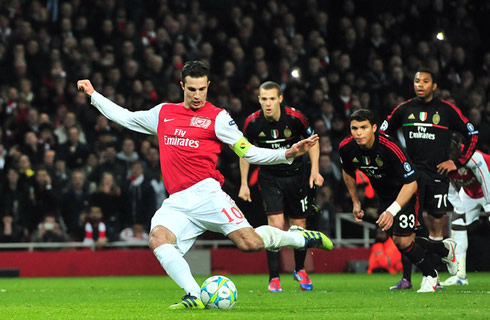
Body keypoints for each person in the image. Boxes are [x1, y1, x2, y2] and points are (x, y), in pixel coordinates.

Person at [77, 60, 333, 310]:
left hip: (208, 195)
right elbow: (127, 117)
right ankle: (194, 294)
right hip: (177, 200)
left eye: (202, 89)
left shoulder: (218, 118)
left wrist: (286, 154)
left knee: (250, 243)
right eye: (192, 89)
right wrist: (94, 95)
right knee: (158, 239)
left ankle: (297, 238)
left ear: (208, 86)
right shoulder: (164, 113)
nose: (197, 95)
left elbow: (249, 152)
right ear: (182, 86)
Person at [380, 68, 478, 290]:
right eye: (416, 81)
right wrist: (396, 161)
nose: (420, 85)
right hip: (411, 178)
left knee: (435, 225)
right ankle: (407, 279)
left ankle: (433, 278)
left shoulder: (446, 110)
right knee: (406, 226)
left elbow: (472, 133)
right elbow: (382, 135)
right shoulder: (404, 109)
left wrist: (458, 162)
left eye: (425, 81)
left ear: (434, 86)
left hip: (437, 175)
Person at [339, 109, 457, 293]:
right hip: (384, 195)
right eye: (354, 128)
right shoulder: (346, 148)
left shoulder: (390, 147)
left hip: (407, 191)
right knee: (402, 240)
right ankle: (444, 249)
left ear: (374, 128)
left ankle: (431, 276)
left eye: (364, 127)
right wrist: (355, 201)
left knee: (402, 241)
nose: (358, 133)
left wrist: (392, 211)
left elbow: (411, 182)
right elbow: (348, 172)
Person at [238, 81, 325, 292]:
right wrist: (243, 183)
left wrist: (315, 170)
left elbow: (313, 141)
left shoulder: (296, 118)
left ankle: (299, 269)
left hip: (298, 176)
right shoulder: (252, 123)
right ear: (259, 99)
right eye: (263, 99)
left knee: (299, 225)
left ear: (280, 99)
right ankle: (274, 277)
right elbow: (243, 151)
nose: (267, 103)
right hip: (269, 177)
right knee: (275, 225)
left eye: (271, 99)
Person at [441, 136, 490, 286]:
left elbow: (485, 178)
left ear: (460, 147)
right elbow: (447, 187)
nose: (449, 155)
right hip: (470, 192)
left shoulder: (473, 156)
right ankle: (460, 276)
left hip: (488, 188)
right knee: (456, 222)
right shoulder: (443, 160)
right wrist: (460, 207)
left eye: (451, 151)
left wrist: (488, 206)